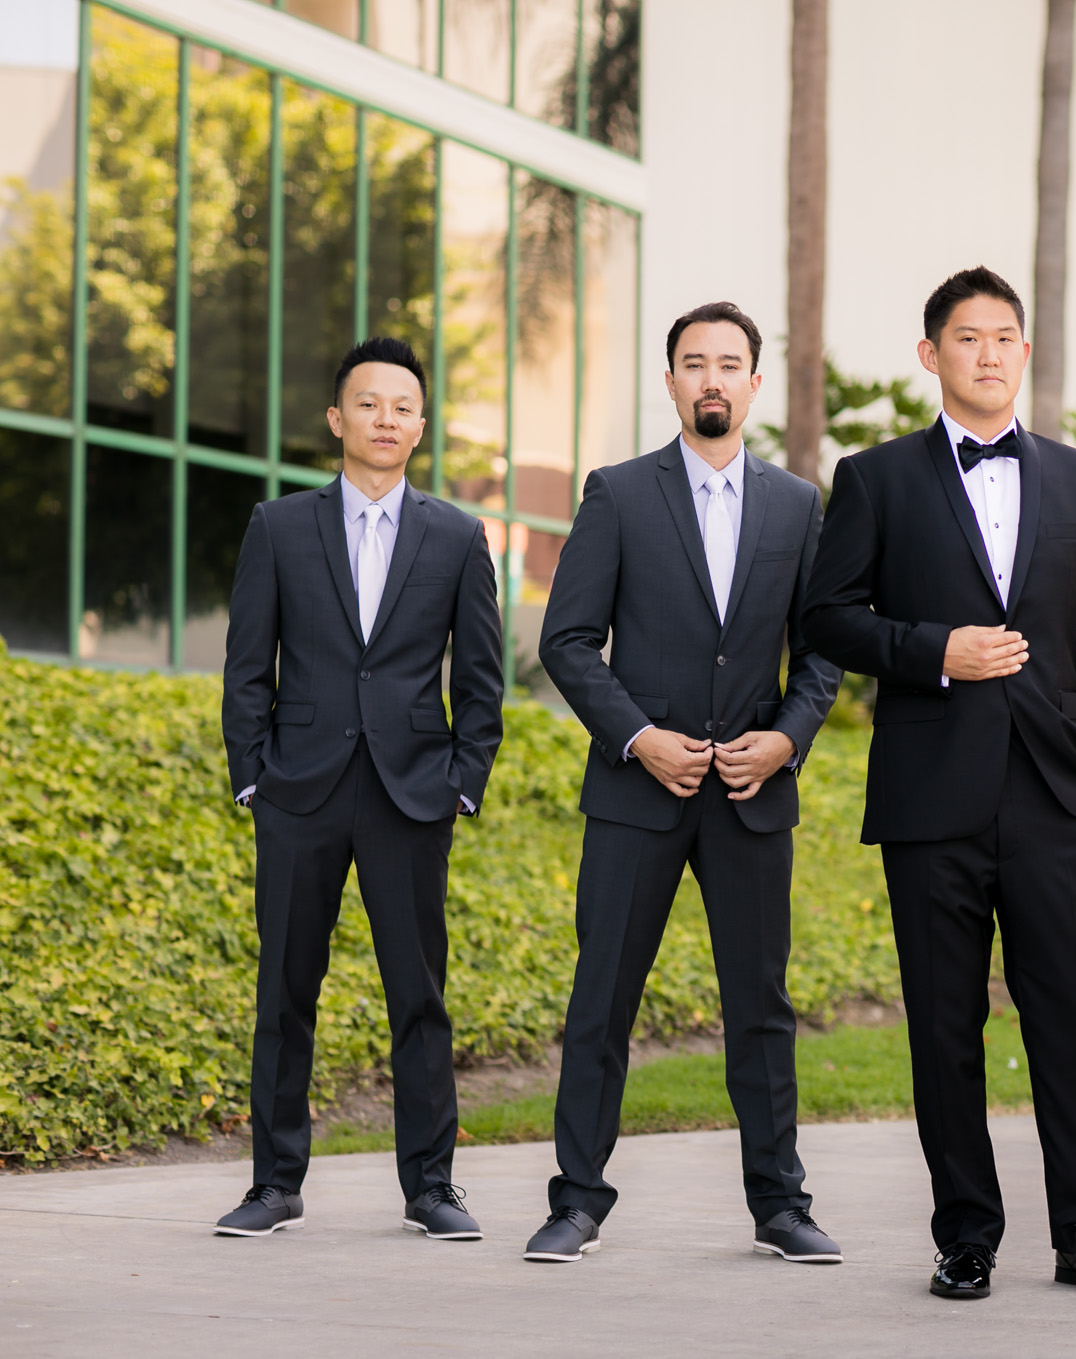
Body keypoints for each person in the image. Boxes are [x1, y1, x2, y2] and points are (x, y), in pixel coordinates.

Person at [800, 267, 1076, 1299]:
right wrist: (934, 648)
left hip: (1052, 796)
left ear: (1023, 353)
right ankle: (965, 1236)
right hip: (929, 799)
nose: (987, 353)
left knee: (1072, 1021)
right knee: (942, 1023)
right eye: (966, 337)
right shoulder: (875, 479)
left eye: (1004, 337)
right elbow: (824, 618)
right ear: (930, 355)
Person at [523, 302, 843, 1266]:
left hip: (751, 796)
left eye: (729, 364)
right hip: (636, 792)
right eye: (693, 363)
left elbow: (821, 651)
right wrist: (638, 737)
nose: (711, 378)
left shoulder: (798, 505)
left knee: (761, 1006)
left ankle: (780, 1204)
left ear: (754, 384)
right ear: (669, 383)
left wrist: (784, 741)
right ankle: (576, 1199)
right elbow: (566, 641)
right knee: (603, 1000)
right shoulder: (617, 494)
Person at [216, 336, 504, 1239]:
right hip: (298, 789)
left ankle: (431, 1186)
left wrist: (463, 782)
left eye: (402, 407)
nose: (385, 419)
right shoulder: (280, 526)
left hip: (411, 793)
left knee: (418, 993)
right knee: (285, 989)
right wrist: (251, 777)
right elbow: (244, 666)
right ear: (338, 419)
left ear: (420, 427)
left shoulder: (459, 536)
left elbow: (482, 680)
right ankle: (274, 1182)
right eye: (368, 404)